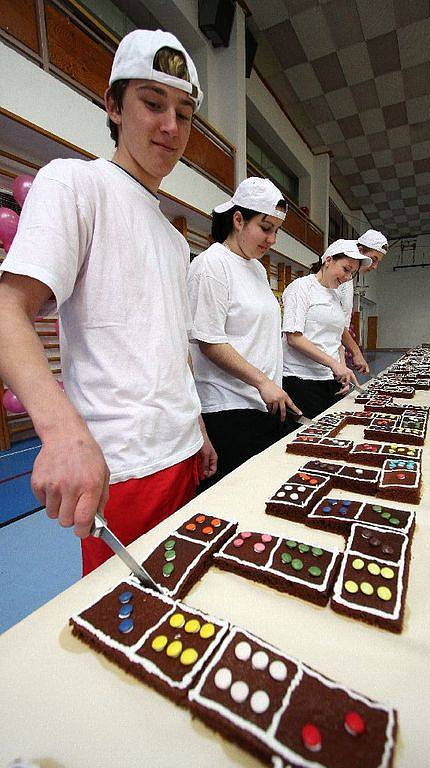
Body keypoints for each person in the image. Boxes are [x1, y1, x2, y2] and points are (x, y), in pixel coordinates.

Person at [0, 29, 217, 575]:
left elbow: (168, 348)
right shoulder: (76, 184)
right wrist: (61, 431)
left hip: (185, 457)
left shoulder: (172, 238)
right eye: (152, 103)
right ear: (114, 106)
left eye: (185, 113)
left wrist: (198, 428)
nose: (171, 126)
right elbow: (8, 309)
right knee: (132, 634)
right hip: (124, 471)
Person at [187, 177, 301, 487]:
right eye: (266, 228)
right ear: (238, 220)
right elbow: (209, 342)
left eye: (276, 231)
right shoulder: (212, 265)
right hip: (229, 409)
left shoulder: (258, 269)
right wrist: (262, 381)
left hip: (262, 403)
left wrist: (271, 384)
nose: (272, 239)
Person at [281, 241, 372, 419]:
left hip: (328, 379)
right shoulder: (301, 287)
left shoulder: (335, 295)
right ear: (328, 260)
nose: (347, 277)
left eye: (352, 273)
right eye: (346, 269)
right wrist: (334, 365)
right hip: (301, 380)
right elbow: (294, 338)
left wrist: (342, 370)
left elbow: (336, 338)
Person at [337, 229, 388, 374]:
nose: (374, 266)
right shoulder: (338, 280)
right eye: (374, 259)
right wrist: (356, 353)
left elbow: (338, 327)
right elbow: (335, 327)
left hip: (335, 354)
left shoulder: (348, 280)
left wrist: (343, 363)